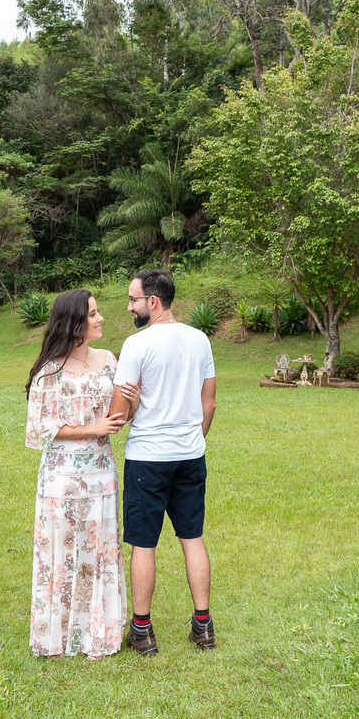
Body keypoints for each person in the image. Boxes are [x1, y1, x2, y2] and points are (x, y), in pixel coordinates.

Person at [24, 289, 139, 659]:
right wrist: (93, 428)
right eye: (92, 314)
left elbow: (118, 419)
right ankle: (56, 634)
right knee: (62, 553)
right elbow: (40, 430)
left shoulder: (109, 360)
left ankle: (97, 633)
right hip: (61, 478)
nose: (101, 318)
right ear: (74, 322)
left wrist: (132, 404)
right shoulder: (49, 369)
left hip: (100, 473)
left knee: (99, 551)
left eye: (98, 312)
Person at [112, 269, 217, 655]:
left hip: (147, 459)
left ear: (152, 302)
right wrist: (192, 440)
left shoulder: (136, 345)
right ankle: (203, 626)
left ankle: (142, 632)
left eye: (133, 300)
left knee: (144, 544)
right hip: (190, 455)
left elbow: (118, 414)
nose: (129, 307)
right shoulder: (199, 340)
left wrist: (133, 408)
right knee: (192, 538)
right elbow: (210, 402)